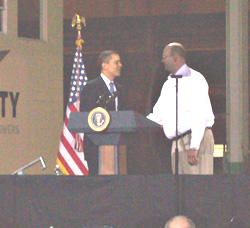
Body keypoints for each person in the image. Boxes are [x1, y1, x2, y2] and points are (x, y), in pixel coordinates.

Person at [147, 42, 215, 174]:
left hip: (194, 139)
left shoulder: (195, 79)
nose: (162, 61)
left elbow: (199, 113)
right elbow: (157, 115)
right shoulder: (169, 84)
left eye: (164, 57)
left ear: (175, 58)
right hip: (177, 143)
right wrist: (138, 122)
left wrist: (194, 145)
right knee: (181, 189)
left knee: (197, 186)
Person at [80, 50, 127, 175]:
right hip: (97, 146)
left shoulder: (120, 89)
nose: (120, 65)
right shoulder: (91, 87)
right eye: (116, 62)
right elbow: (86, 116)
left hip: (117, 146)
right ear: (104, 65)